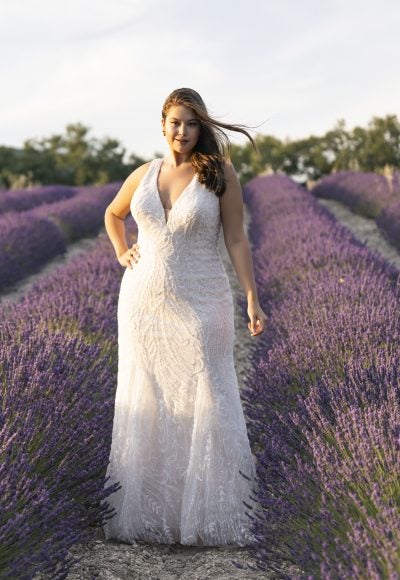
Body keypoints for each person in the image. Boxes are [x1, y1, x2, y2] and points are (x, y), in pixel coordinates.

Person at [102, 87, 267, 547]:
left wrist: (251, 298)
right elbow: (113, 214)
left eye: (192, 124)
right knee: (148, 397)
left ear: (201, 128)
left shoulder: (219, 173)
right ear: (162, 124)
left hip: (202, 300)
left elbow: (236, 239)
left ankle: (206, 515)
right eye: (176, 122)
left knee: (208, 393)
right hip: (142, 306)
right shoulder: (143, 174)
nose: (183, 131)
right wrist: (121, 250)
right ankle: (151, 515)